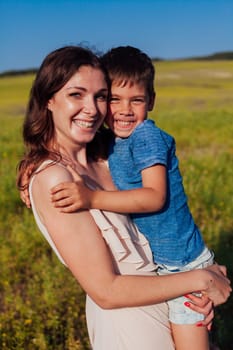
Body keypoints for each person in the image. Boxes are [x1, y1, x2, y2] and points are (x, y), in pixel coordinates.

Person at [17, 46, 231, 350]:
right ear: (48, 99)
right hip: (129, 325)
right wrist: (200, 280)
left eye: (101, 96)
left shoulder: (106, 155)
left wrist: (194, 285)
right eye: (76, 95)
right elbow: (107, 290)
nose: (92, 108)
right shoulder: (55, 179)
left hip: (165, 298)